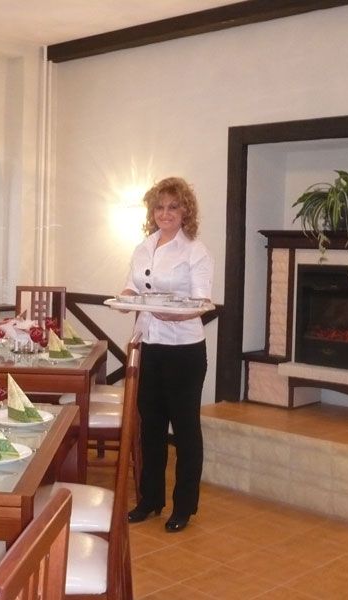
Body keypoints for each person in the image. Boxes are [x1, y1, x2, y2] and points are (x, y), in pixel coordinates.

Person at [121, 176, 214, 533]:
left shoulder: (195, 251)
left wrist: (174, 314)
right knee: (152, 428)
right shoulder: (143, 247)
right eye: (159, 207)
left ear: (185, 211)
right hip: (150, 345)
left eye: (173, 207)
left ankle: (184, 507)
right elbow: (132, 288)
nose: (165, 213)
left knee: (186, 430)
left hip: (184, 351)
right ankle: (150, 500)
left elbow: (201, 302)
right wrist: (124, 299)